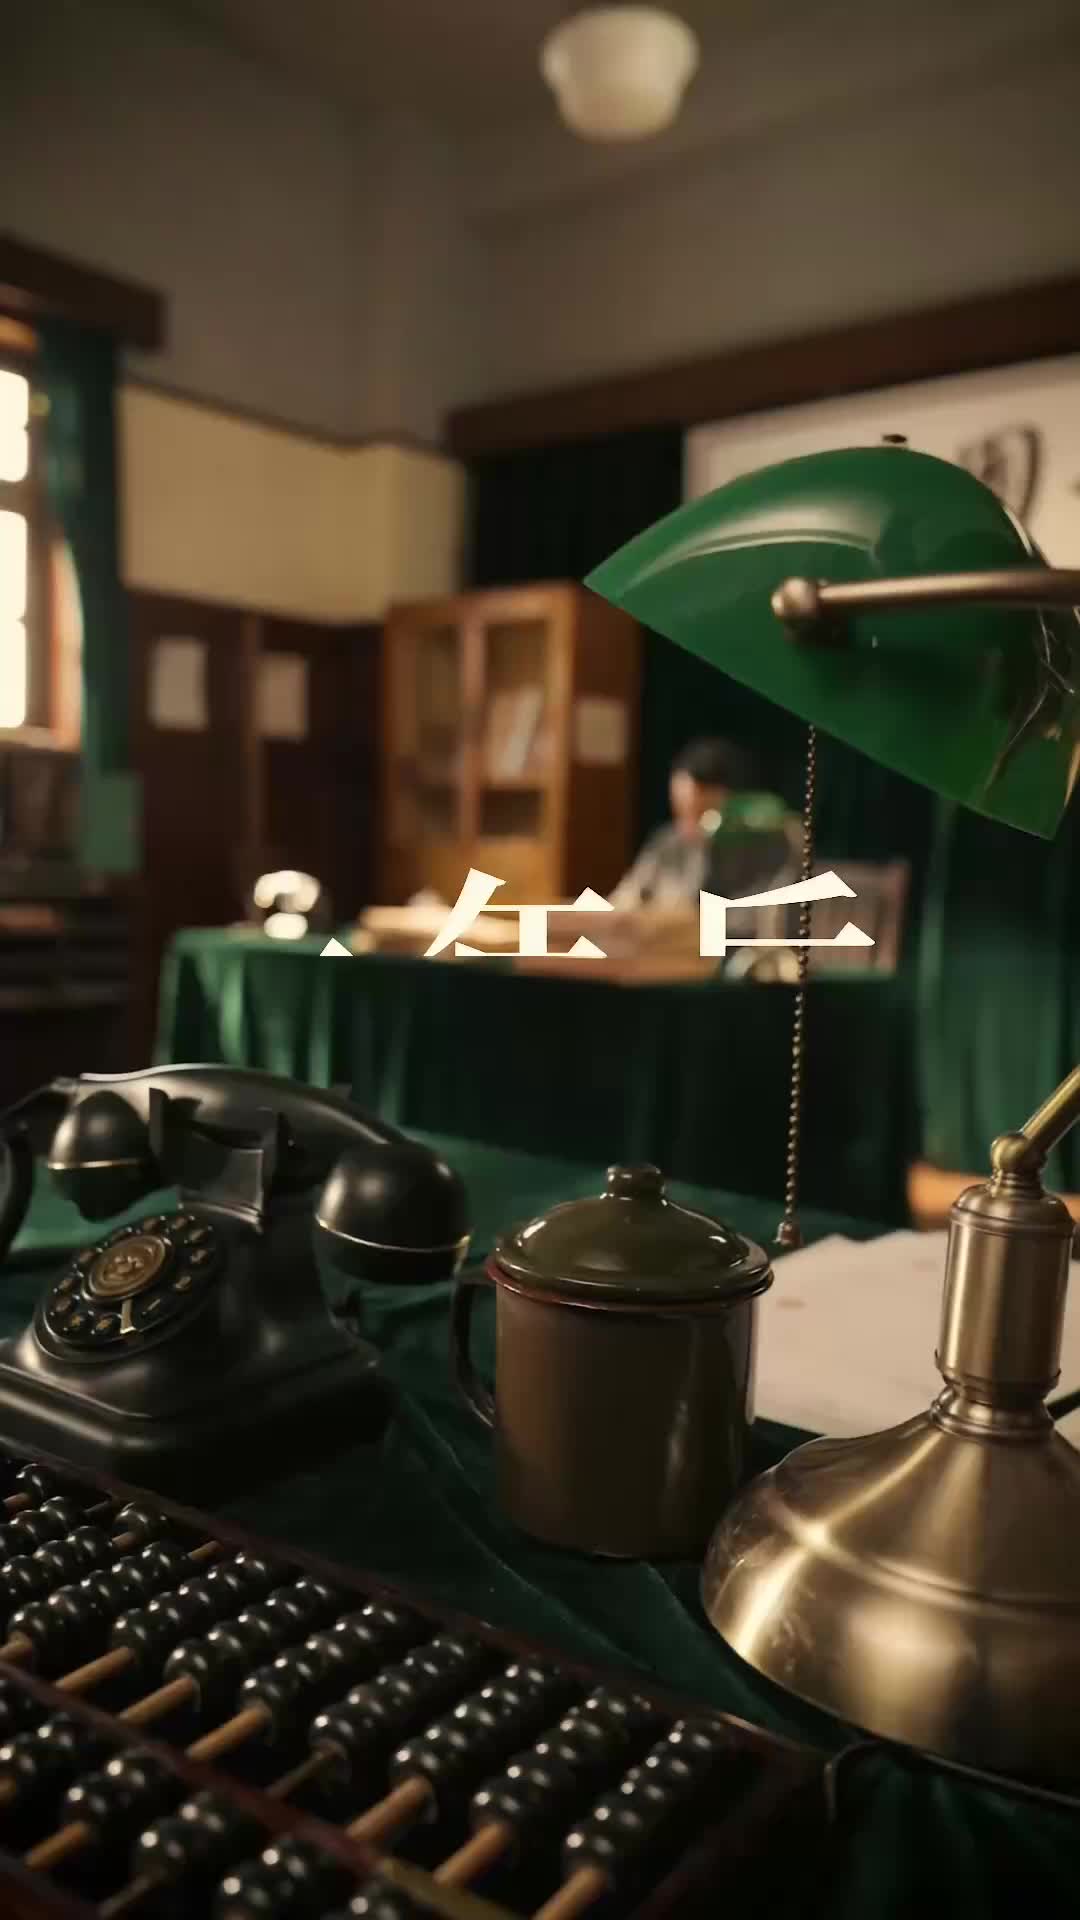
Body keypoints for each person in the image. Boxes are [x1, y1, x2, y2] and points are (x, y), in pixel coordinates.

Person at [610, 738, 792, 910]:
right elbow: (627, 895)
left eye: (699, 812)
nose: (687, 826)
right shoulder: (669, 841)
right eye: (681, 811)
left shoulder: (762, 847)